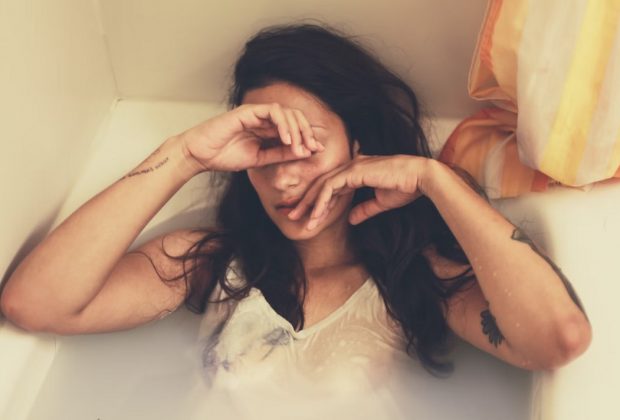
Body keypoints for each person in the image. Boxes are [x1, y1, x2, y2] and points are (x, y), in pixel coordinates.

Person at [1, 22, 590, 407]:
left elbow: (557, 340)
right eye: (265, 150)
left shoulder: (417, 278)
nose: (283, 178)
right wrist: (184, 155)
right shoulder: (210, 264)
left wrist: (432, 180)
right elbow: (36, 304)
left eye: (306, 148)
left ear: (358, 144)